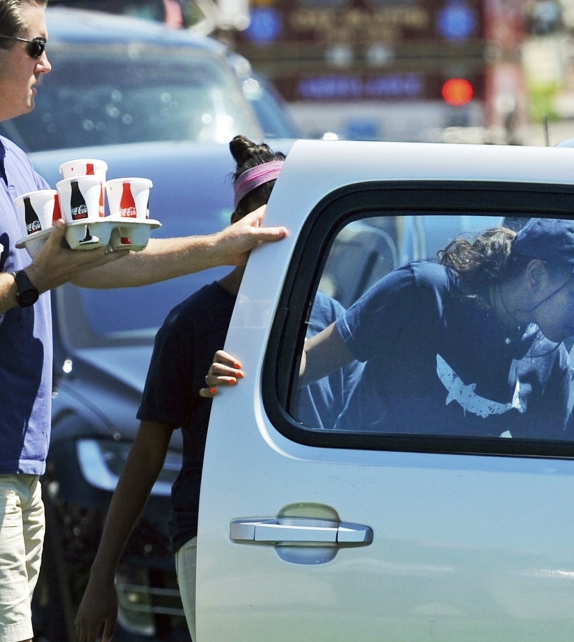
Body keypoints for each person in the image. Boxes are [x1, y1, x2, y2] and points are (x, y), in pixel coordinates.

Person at [0, 0, 286, 642]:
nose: (46, 64)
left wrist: (219, 247)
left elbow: (87, 266)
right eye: (35, 45)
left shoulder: (6, 160)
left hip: (5, 462)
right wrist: (30, 279)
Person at [74, 136, 361, 642]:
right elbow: (145, 456)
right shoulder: (191, 322)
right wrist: (102, 577)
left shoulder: (330, 319)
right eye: (268, 221)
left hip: (314, 532)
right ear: (244, 227)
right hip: (215, 534)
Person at [207, 218, 574, 440]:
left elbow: (544, 482)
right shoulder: (421, 291)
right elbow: (306, 364)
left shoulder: (552, 362)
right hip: (359, 506)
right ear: (535, 276)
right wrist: (239, 375)